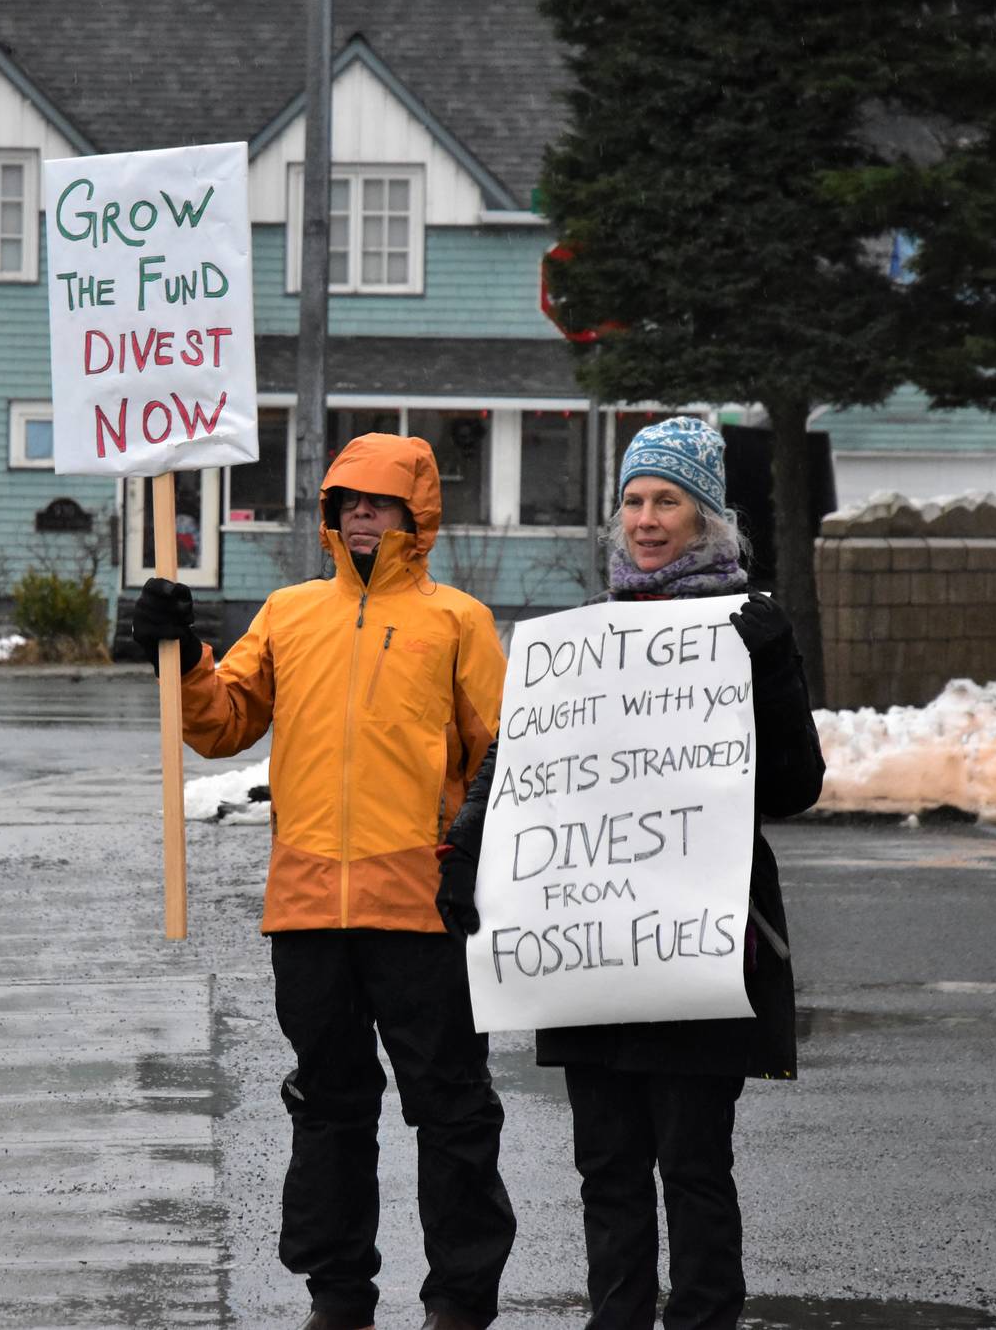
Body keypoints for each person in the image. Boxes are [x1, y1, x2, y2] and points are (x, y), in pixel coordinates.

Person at [438, 415, 824, 1330]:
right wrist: (465, 849)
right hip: (595, 948)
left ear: (708, 518)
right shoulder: (583, 640)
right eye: (635, 500)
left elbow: (795, 785)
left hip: (696, 941)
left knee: (694, 1165)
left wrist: (771, 664)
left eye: (668, 501)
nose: (647, 518)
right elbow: (515, 761)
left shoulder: (745, 629)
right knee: (605, 1166)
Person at [131, 432, 516, 1330]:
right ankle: (337, 1292)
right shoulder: (289, 613)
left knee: (452, 1111)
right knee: (328, 1109)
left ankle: (459, 1297)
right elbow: (223, 723)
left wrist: (467, 848)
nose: (360, 515)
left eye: (378, 502)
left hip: (421, 911)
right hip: (307, 912)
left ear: (417, 514)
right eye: (346, 501)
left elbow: (505, 748)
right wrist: (181, 655)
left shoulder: (457, 621)